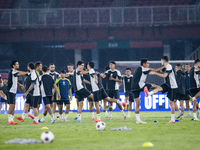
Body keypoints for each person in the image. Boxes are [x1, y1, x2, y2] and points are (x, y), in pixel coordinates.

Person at [145, 56, 178, 123]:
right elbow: (159, 71)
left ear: (163, 61)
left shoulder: (169, 66)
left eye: (161, 61)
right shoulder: (165, 67)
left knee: (171, 103)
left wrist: (154, 73)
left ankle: (173, 119)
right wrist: (150, 69)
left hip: (172, 86)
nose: (161, 63)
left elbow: (164, 75)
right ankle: (148, 94)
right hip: (168, 84)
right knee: (158, 88)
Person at [132, 59, 161, 124]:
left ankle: (138, 120)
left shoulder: (139, 69)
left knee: (137, 104)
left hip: (134, 87)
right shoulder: (143, 69)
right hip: (139, 85)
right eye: (147, 63)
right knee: (154, 86)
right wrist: (162, 68)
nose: (148, 64)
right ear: (144, 64)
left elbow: (151, 69)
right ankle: (149, 93)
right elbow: (154, 71)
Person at [7, 60, 28, 125]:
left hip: (13, 91)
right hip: (10, 91)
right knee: (11, 105)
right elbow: (18, 73)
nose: (18, 65)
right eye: (17, 64)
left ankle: (12, 120)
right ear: (13, 65)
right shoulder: (12, 71)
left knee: (13, 105)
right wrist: (26, 73)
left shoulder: (14, 71)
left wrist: (20, 85)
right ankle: (10, 120)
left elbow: (14, 80)